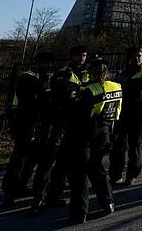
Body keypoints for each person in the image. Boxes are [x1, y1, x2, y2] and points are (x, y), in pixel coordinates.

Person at [31, 45, 88, 213]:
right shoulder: (64, 73)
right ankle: (38, 198)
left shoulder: (86, 72)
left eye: (84, 55)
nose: (82, 58)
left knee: (64, 162)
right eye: (78, 55)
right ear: (72, 57)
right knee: (49, 160)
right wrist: (79, 93)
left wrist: (78, 93)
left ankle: (53, 196)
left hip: (76, 123)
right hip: (60, 122)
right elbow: (66, 96)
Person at [69, 58, 122, 223]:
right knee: (97, 168)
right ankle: (108, 203)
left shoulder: (89, 91)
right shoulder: (117, 86)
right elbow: (117, 109)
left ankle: (79, 213)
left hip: (86, 132)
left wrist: (73, 96)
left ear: (91, 73)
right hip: (105, 131)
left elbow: (77, 113)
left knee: (80, 173)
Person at [2, 51, 54, 206]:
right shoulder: (28, 77)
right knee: (20, 159)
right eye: (47, 63)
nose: (49, 67)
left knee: (28, 159)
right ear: (40, 64)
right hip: (26, 122)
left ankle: (17, 189)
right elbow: (34, 100)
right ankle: (11, 191)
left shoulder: (43, 77)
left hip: (36, 123)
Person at [109, 47, 142, 187]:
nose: (138, 58)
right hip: (124, 111)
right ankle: (116, 174)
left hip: (138, 111)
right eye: (134, 56)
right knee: (119, 144)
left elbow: (141, 86)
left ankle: (132, 174)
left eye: (140, 55)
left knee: (135, 145)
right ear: (128, 58)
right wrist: (129, 85)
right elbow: (118, 86)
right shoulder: (123, 72)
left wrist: (127, 85)